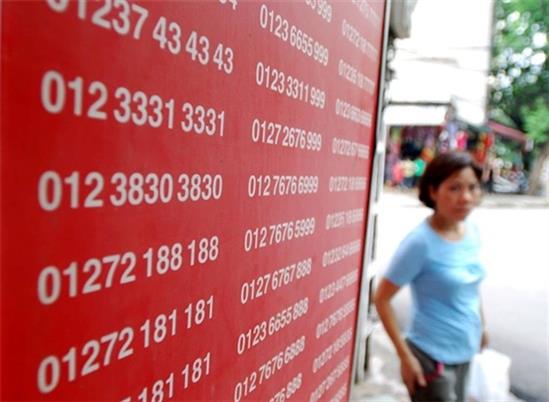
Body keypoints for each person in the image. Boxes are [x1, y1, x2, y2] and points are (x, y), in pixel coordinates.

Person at [374, 151, 488, 402]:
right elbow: (381, 299)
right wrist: (405, 357)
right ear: (433, 191)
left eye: (472, 187)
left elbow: (471, 287)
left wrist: (482, 326)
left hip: (465, 352)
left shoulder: (472, 231)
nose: (466, 197)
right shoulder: (420, 243)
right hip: (431, 359)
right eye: (455, 188)